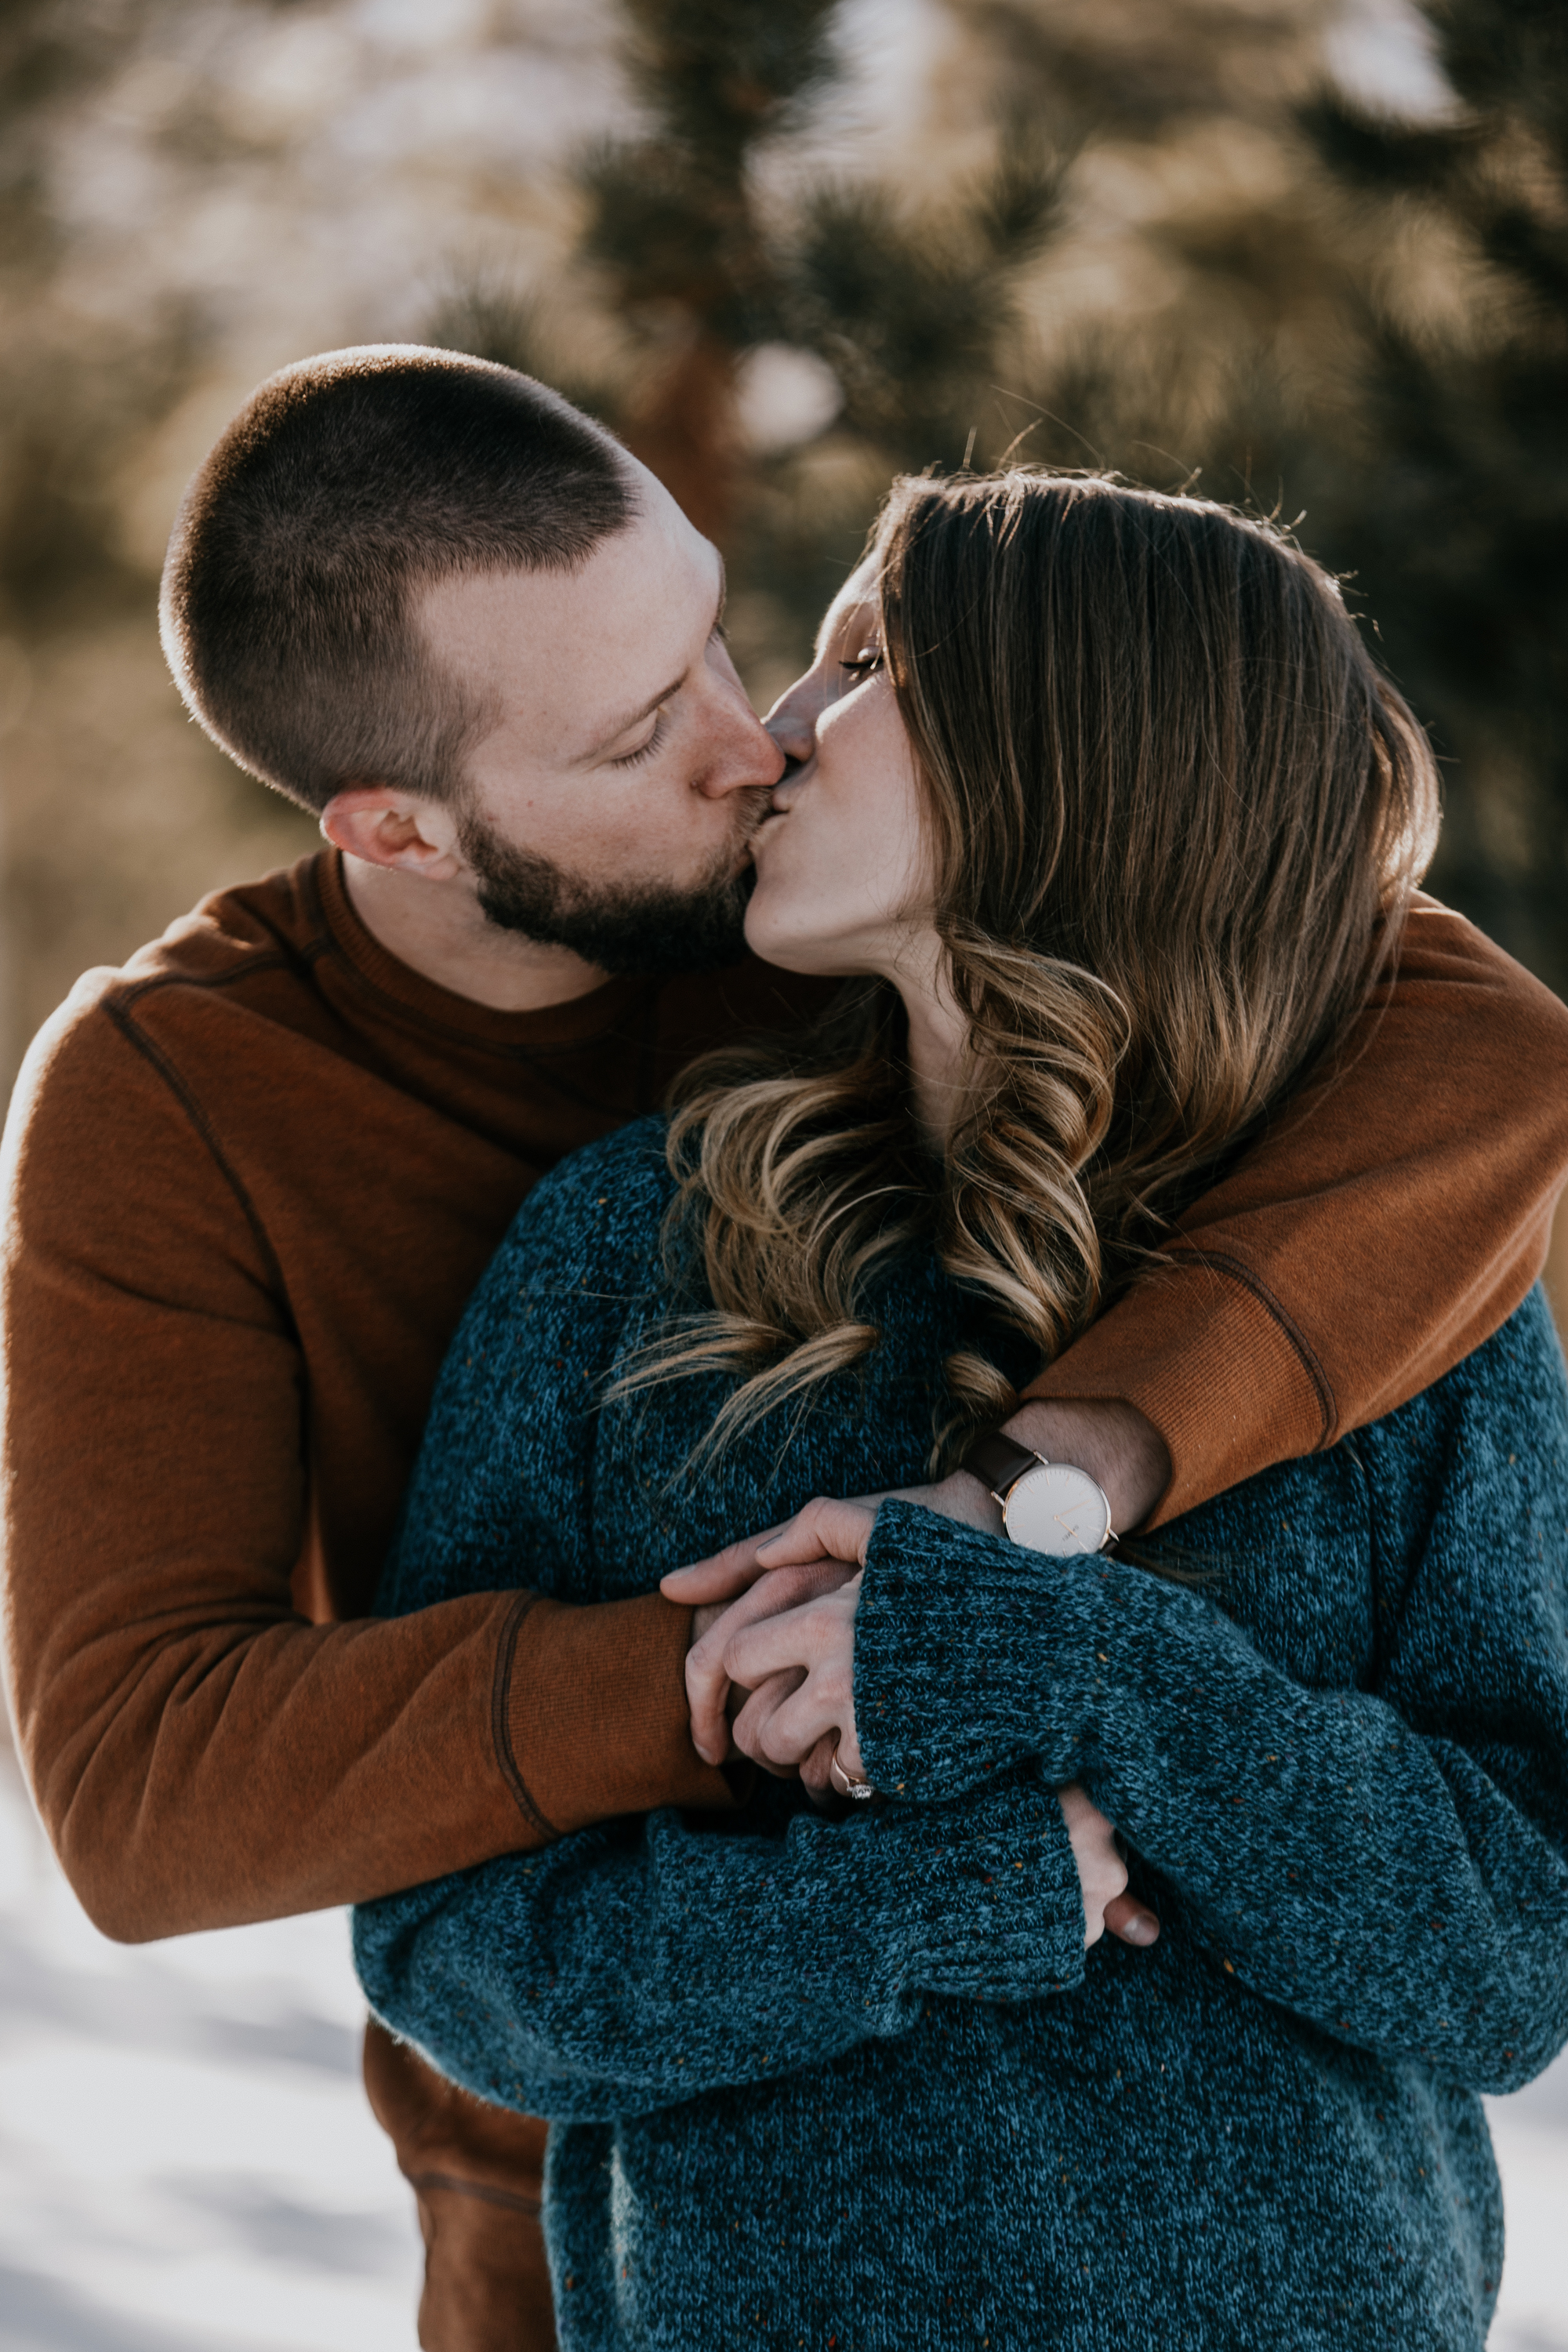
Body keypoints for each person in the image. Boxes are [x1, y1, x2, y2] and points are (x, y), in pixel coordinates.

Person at [1, 350, 1565, 2352]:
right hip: (610, 2213)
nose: (758, 743)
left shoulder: (1351, 1214)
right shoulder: (453, 1182)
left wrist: (1024, 1549)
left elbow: (1494, 1046)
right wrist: (766, 1679)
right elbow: (168, 1804)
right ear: (402, 830)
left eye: (747, 643)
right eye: (653, 725)